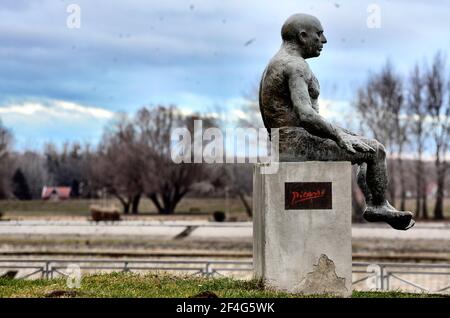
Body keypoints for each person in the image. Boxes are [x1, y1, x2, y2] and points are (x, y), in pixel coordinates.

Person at [259, 13, 414, 230]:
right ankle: (377, 205)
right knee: (375, 151)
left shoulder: (277, 62)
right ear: (303, 36)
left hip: (288, 142)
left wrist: (346, 134)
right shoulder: (295, 65)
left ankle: (375, 204)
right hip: (296, 145)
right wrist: (338, 135)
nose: (324, 40)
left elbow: (302, 117)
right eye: (319, 34)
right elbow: (305, 115)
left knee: (362, 144)